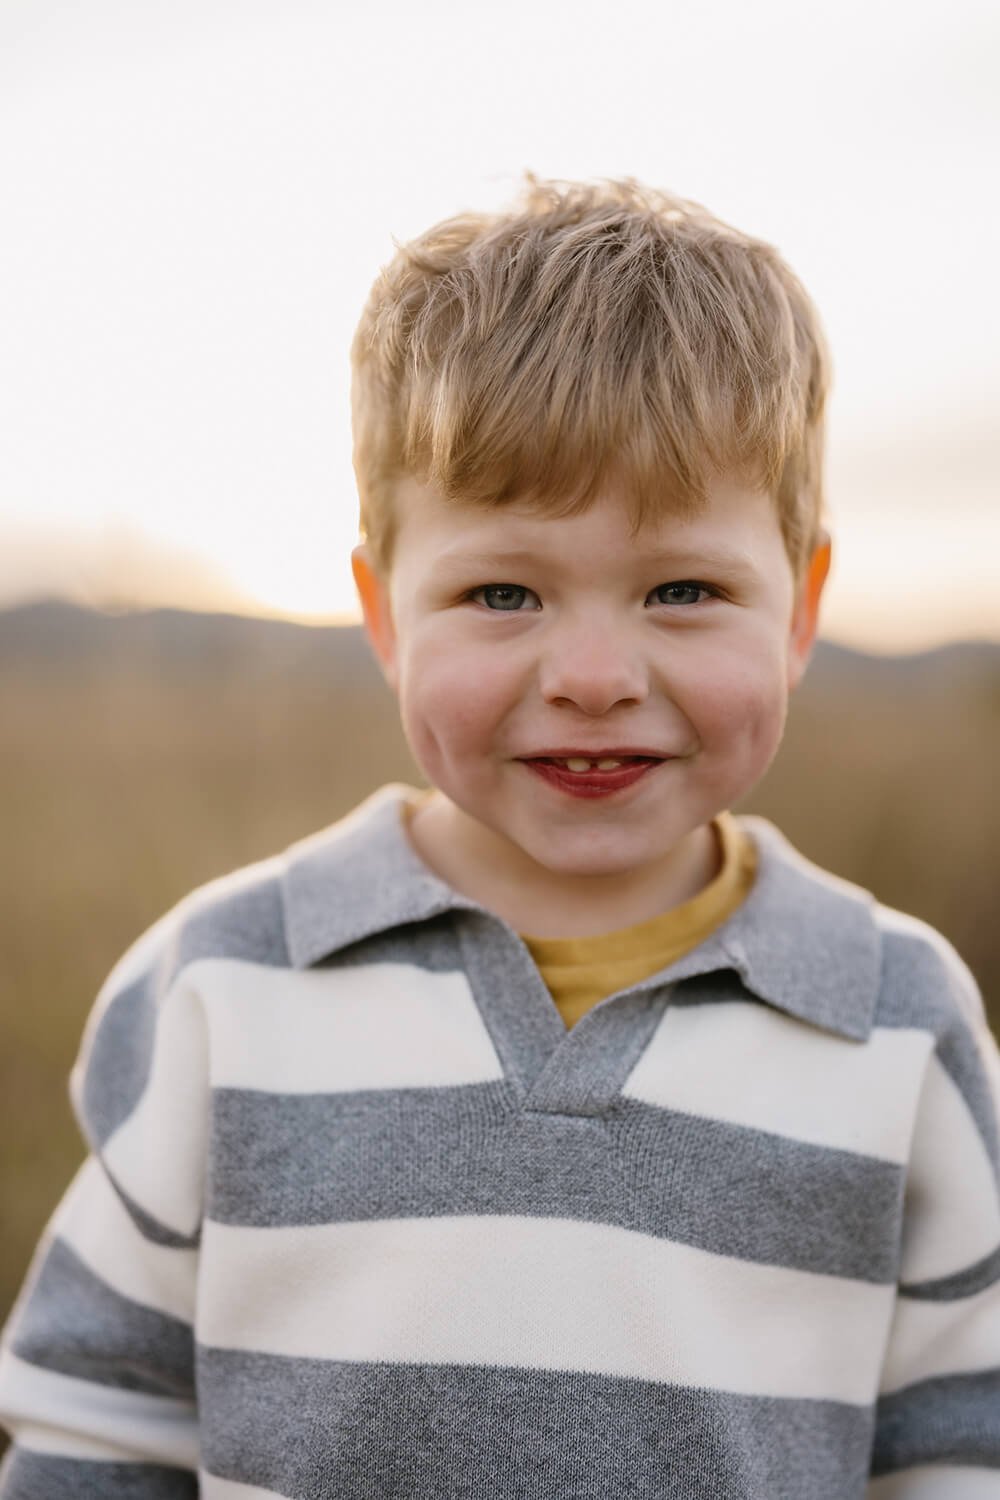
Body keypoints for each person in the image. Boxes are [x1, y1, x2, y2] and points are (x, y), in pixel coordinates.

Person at [1, 176, 998, 1500]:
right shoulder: (223, 985)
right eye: (503, 591)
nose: (592, 673)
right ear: (385, 615)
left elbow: (959, 1452)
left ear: (803, 607)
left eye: (683, 589)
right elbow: (99, 1430)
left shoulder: (894, 1018)